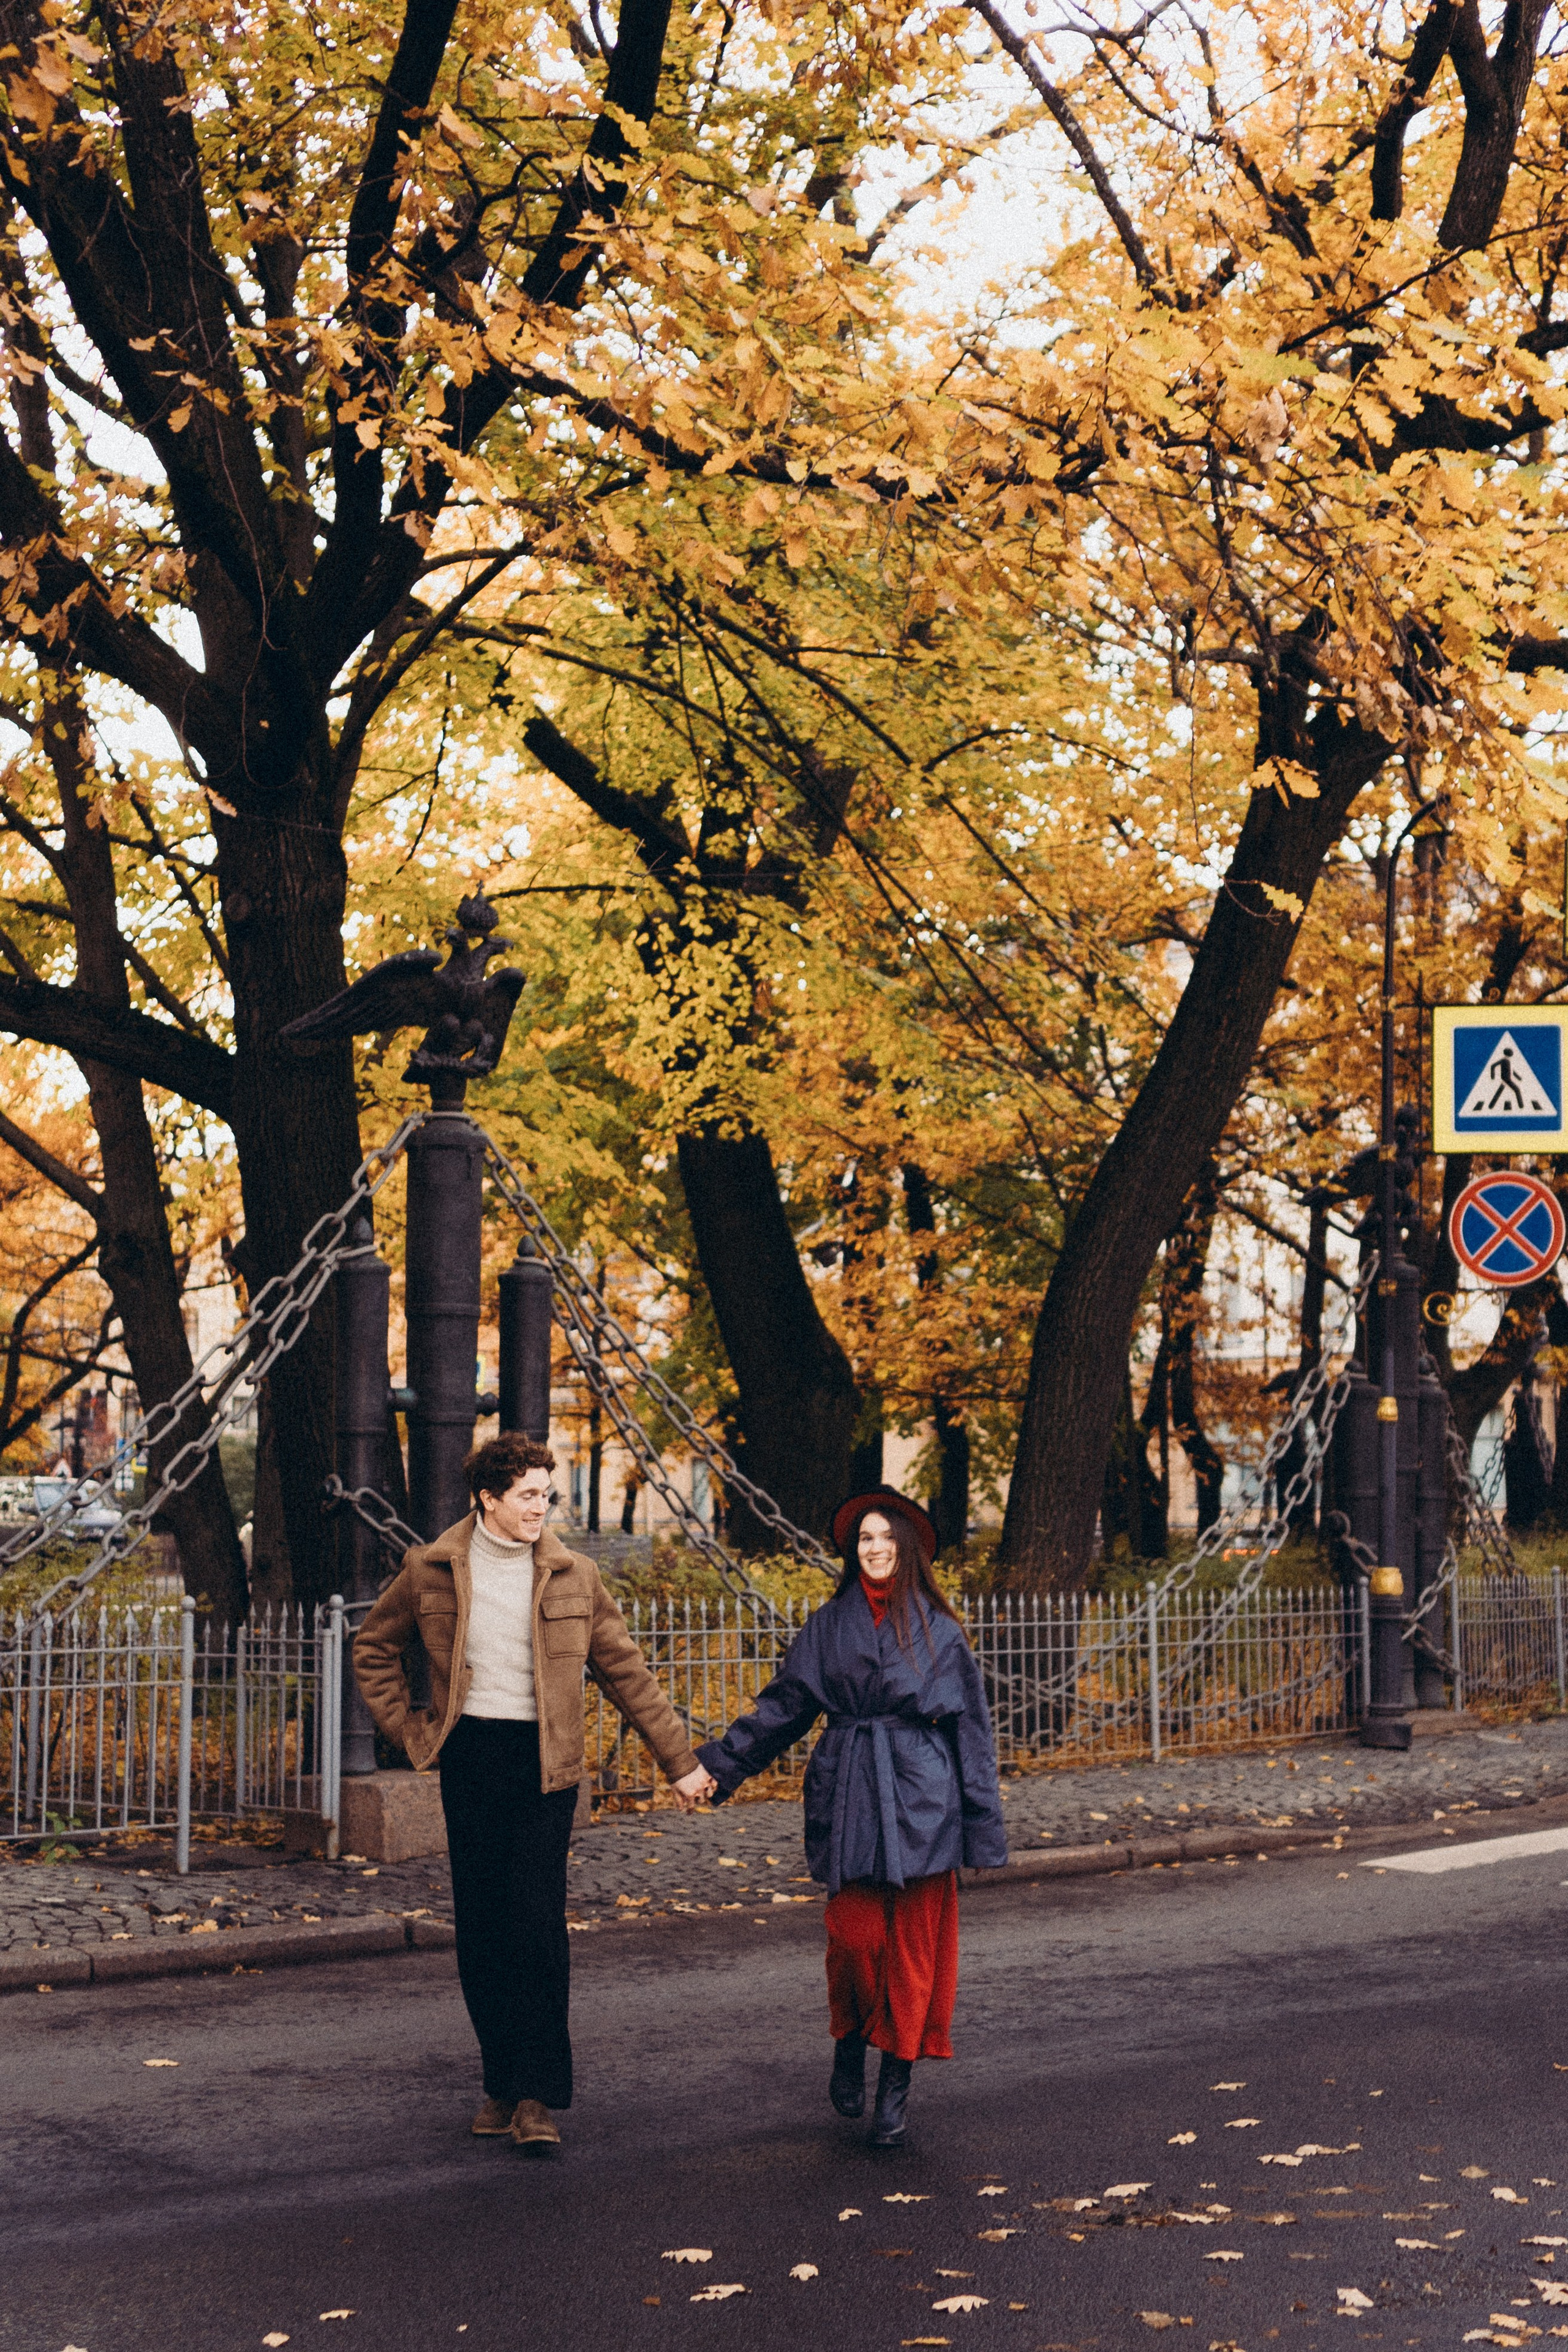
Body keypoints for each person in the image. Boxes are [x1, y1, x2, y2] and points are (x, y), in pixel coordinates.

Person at [353, 1432, 713, 2155]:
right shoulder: (430, 1569)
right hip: (471, 1756)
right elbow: (373, 1646)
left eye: (546, 1495)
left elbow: (627, 1674)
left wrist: (681, 1762)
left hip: (546, 1768)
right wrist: (413, 1729)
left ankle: (536, 2097)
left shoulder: (574, 1574)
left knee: (536, 1926)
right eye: (527, 1496)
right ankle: (498, 2082)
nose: (540, 1509)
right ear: (487, 1498)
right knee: (483, 1928)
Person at [695, 1486, 1006, 2149]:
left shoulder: (939, 1631)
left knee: (913, 1955)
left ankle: (895, 2082)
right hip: (850, 1792)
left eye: (888, 1539)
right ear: (851, 1550)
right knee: (855, 1941)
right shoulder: (828, 1626)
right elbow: (782, 1710)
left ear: (910, 1549)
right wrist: (719, 1767)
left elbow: (971, 1735)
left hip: (925, 1798)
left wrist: (981, 1825)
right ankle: (851, 2040)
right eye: (865, 1539)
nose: (876, 1549)